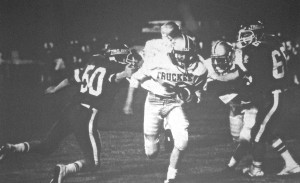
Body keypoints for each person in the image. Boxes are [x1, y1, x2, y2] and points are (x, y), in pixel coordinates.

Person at [0, 42, 140, 183]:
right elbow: (113, 77)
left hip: (70, 109)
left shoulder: (95, 60)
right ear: (115, 55)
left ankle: (12, 148)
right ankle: (65, 169)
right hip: (86, 114)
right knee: (93, 163)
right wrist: (125, 73)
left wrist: (55, 89)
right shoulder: (114, 67)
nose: (125, 59)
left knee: (47, 145)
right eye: (123, 55)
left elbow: (71, 79)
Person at [123, 34, 207, 183]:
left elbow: (196, 95)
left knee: (182, 140)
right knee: (151, 153)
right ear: (174, 51)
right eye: (180, 53)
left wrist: (191, 97)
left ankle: (171, 178)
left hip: (174, 104)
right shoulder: (159, 60)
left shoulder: (199, 68)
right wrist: (129, 102)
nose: (183, 58)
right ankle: (159, 136)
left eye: (187, 54)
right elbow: (136, 77)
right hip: (153, 102)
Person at [236, 20, 300, 176]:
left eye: (247, 35)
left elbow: (255, 77)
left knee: (258, 134)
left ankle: (256, 169)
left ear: (256, 34)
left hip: (273, 96)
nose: (244, 38)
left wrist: (241, 66)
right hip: (277, 93)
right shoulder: (271, 43)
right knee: (268, 133)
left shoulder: (256, 50)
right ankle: (292, 164)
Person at [124, 21, 184, 153]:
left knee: (175, 120)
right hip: (155, 96)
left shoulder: (177, 46)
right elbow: (138, 75)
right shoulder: (153, 47)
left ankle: (169, 131)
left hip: (172, 95)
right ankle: (166, 132)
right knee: (150, 152)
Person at [202, 40, 257, 173]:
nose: (218, 63)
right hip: (234, 106)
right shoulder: (207, 64)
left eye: (222, 58)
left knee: (247, 138)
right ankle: (250, 162)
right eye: (216, 59)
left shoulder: (241, 59)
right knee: (238, 139)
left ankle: (244, 165)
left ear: (231, 55)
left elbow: (247, 79)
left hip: (251, 102)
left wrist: (221, 79)